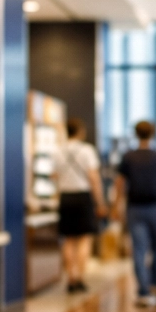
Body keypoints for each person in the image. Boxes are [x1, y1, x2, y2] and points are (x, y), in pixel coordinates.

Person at [113, 120, 156, 306]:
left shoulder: (128, 157)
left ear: (136, 134)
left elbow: (119, 184)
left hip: (135, 208)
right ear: (152, 134)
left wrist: (116, 206)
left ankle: (143, 291)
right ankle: (155, 284)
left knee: (139, 249)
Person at [54, 119, 105, 292]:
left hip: (65, 197)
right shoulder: (87, 150)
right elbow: (94, 178)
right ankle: (80, 278)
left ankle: (70, 277)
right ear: (80, 131)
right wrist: (100, 201)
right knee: (84, 238)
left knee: (68, 239)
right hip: (83, 197)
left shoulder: (57, 151)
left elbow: (53, 176)